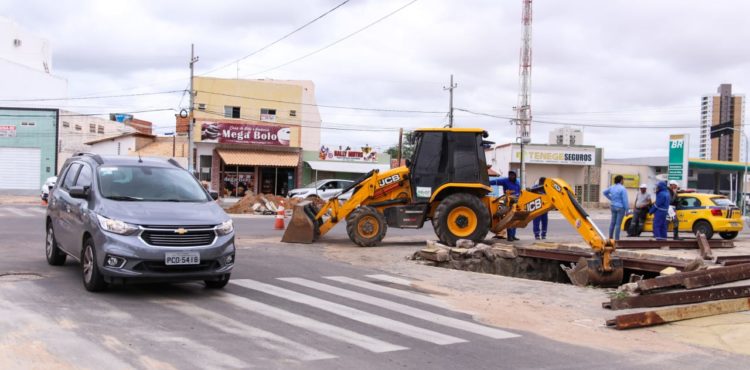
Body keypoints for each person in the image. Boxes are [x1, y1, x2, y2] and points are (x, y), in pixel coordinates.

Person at [490, 170, 521, 241]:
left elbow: (519, 192)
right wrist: (488, 182)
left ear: (515, 176)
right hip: (508, 202)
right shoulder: (505, 181)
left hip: (516, 203)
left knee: (515, 219)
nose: (511, 176)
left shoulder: (517, 183)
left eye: (512, 175)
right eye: (510, 175)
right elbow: (496, 181)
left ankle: (513, 236)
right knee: (509, 218)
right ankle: (510, 236)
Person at [603, 175, 629, 241]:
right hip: (620, 207)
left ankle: (610, 238)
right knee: (618, 224)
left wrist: (611, 198)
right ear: (621, 180)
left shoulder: (612, 187)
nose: (623, 181)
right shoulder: (623, 188)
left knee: (612, 223)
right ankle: (617, 239)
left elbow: (604, 192)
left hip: (613, 206)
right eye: (623, 180)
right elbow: (625, 200)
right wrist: (627, 210)